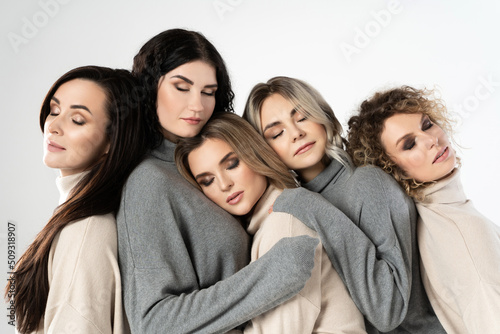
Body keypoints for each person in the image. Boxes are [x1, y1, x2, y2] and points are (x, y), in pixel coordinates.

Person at [117, 29, 317, 333]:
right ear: (149, 87)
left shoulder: (205, 155)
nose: (197, 105)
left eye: (208, 92)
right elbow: (153, 322)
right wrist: (270, 277)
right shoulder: (149, 181)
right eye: (181, 87)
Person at [243, 76, 445, 333]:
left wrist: (314, 208)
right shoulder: (292, 208)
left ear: (322, 115)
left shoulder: (367, 182)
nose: (296, 134)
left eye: (302, 117)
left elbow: (388, 311)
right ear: (263, 149)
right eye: (277, 132)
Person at [175, 112, 367, 333]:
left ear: (255, 153)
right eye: (207, 181)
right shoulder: (266, 225)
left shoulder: (284, 224)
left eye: (232, 164)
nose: (224, 184)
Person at [5, 65, 148, 333]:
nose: (54, 126)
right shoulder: (78, 212)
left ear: (111, 141)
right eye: (55, 111)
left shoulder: (85, 230)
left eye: (78, 120)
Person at [346, 85, 500, 334]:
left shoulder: (438, 218)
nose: (431, 140)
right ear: (391, 169)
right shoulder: (464, 232)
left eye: (427, 125)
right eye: (409, 145)